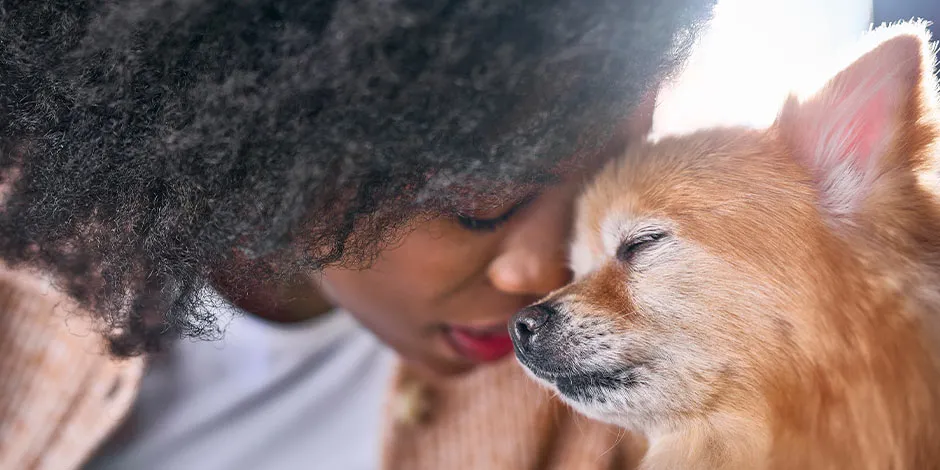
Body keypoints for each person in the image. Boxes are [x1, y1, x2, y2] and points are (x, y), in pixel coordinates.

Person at [0, 1, 752, 469]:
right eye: (481, 206)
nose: (555, 269)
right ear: (277, 133)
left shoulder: (618, 403)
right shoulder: (21, 261)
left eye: (608, 182)